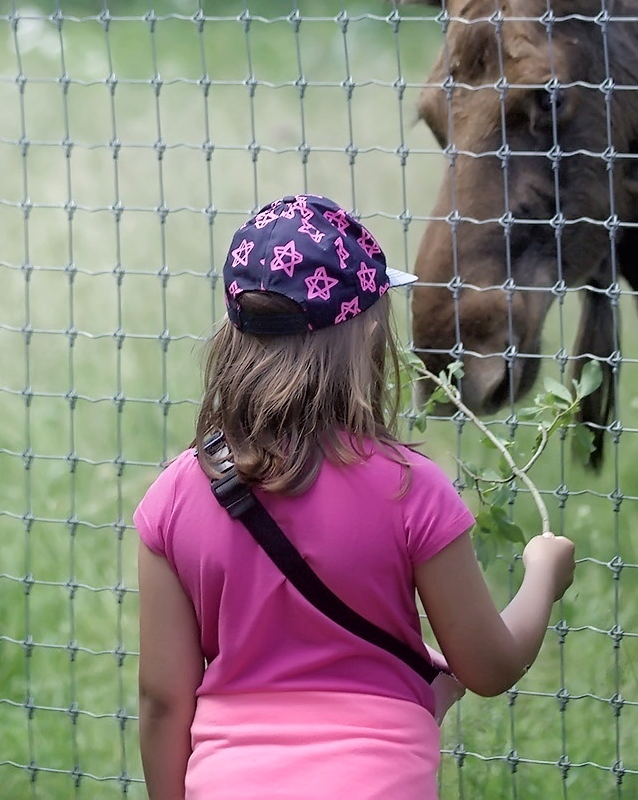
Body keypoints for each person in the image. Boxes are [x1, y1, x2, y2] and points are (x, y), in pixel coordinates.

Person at [134, 193, 576, 800]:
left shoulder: (177, 496)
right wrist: (542, 576)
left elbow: (162, 700)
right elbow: (489, 666)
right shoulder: (410, 487)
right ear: (368, 331)